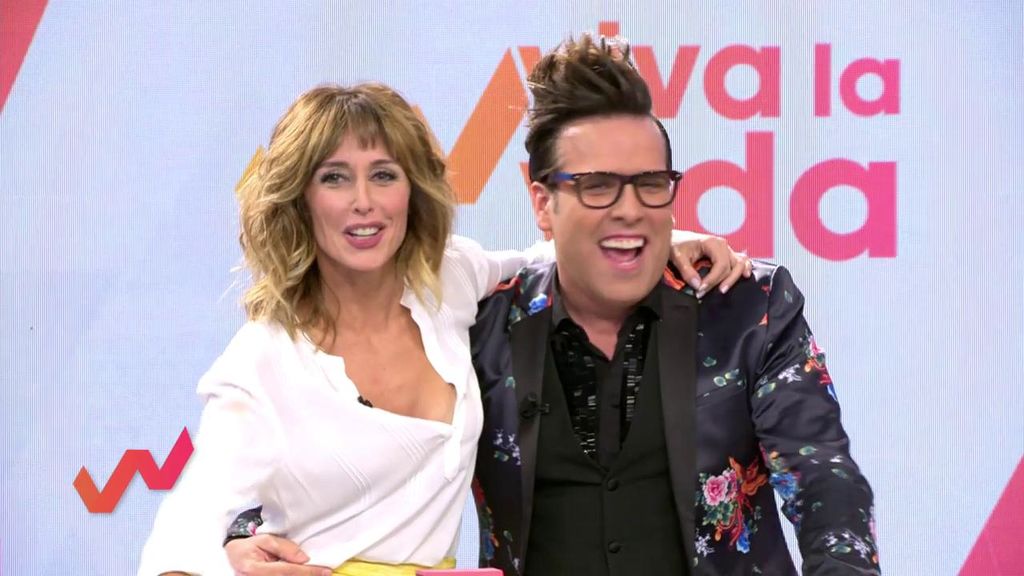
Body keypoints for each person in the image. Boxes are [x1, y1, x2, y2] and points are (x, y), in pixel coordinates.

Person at [137, 82, 748, 576]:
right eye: (334, 177)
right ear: (300, 198)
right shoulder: (263, 361)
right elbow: (181, 534)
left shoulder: (446, 281)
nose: (363, 201)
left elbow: (556, 254)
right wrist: (229, 555)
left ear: (412, 190)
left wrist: (669, 239)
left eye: (383, 174)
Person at [465, 35, 880, 575]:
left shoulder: (747, 306)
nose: (630, 210)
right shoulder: (481, 325)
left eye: (650, 184)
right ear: (543, 204)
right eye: (598, 187)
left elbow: (824, 478)